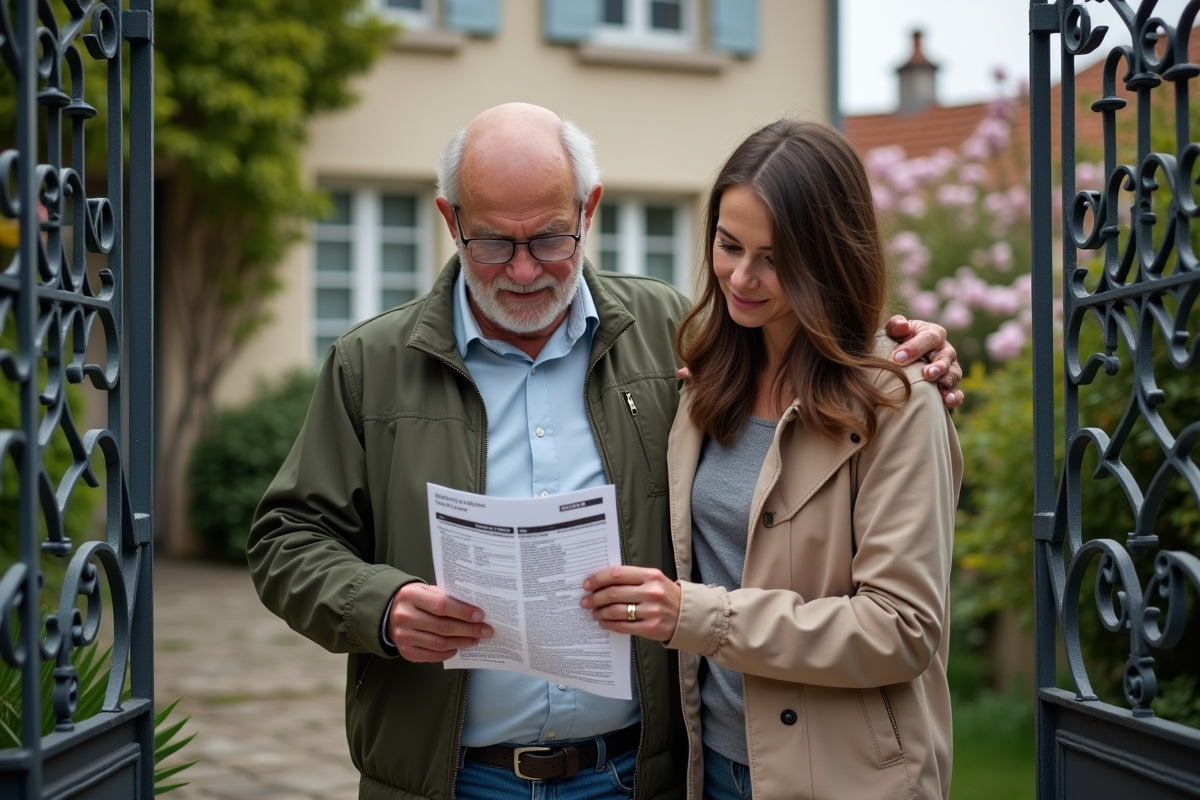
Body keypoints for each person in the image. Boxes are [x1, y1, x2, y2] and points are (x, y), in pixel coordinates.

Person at [247, 104, 962, 800]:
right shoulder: (369, 363)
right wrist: (381, 606)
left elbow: (830, 358)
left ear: (589, 210)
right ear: (449, 220)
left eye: (551, 239)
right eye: (494, 242)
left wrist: (915, 362)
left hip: (635, 775)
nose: (524, 270)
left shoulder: (673, 336)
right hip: (448, 777)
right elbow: (285, 540)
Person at [582, 119, 962, 800]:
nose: (742, 277)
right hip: (714, 769)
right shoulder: (702, 386)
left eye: (774, 258)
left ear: (830, 258)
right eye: (729, 246)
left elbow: (901, 629)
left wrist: (694, 616)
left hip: (848, 779)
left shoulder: (898, 402)